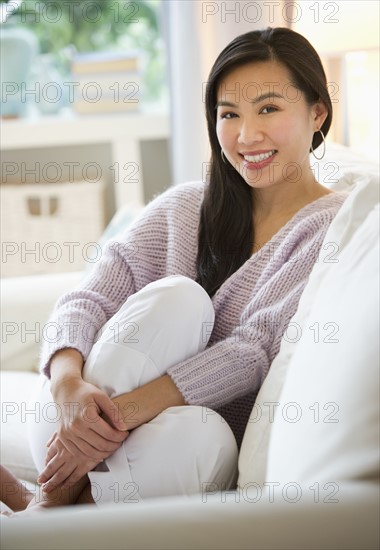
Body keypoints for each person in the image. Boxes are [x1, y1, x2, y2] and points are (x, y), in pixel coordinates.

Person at [17, 27, 347, 513]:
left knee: (200, 434)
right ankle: (53, 506)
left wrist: (105, 427)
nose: (246, 135)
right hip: (65, 427)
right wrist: (68, 387)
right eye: (229, 114)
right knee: (179, 299)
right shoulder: (183, 208)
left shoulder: (335, 225)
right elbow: (87, 298)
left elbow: (251, 351)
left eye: (269, 109)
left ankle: (44, 505)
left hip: (171, 452)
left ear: (317, 112)